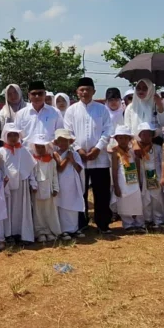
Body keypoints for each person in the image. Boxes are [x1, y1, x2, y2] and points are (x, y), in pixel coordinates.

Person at [63, 77, 114, 233]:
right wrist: (78, 149)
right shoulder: (71, 110)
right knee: (80, 192)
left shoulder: (102, 109)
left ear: (94, 91)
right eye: (82, 90)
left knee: (102, 192)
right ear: (77, 92)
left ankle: (103, 224)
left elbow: (108, 131)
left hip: (100, 159)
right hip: (79, 159)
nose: (85, 92)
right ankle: (81, 223)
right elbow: (68, 132)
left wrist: (98, 148)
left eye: (88, 89)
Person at [1, 123, 36, 243]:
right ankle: (8, 234)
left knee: (22, 209)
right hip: (7, 186)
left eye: (15, 135)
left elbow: (30, 167)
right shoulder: (1, 151)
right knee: (8, 209)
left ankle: (23, 234)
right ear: (5, 136)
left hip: (22, 185)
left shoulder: (24, 151)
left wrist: (33, 182)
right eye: (10, 135)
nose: (13, 138)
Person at [53, 128, 85, 238]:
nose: (63, 143)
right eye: (60, 141)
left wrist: (72, 160)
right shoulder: (55, 154)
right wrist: (67, 159)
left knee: (73, 205)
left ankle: (74, 229)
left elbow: (79, 169)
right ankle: (64, 230)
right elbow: (60, 168)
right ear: (57, 142)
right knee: (62, 206)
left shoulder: (74, 154)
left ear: (69, 142)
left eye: (65, 141)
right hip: (61, 184)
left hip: (72, 183)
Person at [111, 126, 144, 231]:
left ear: (129, 139)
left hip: (134, 181)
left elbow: (138, 166)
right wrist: (116, 185)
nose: (123, 140)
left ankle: (139, 223)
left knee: (136, 201)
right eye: (120, 138)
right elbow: (115, 170)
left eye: (125, 138)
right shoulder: (115, 153)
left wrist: (139, 181)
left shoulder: (133, 152)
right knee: (124, 201)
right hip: (122, 181)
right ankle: (128, 223)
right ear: (116, 139)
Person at [31, 134, 61, 242]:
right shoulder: (33, 160)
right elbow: (32, 175)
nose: (40, 149)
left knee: (49, 211)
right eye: (38, 146)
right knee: (38, 212)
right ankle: (40, 232)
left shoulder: (51, 161)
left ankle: (49, 231)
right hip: (37, 190)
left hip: (49, 190)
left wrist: (55, 188)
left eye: (42, 147)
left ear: (47, 147)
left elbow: (54, 175)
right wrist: (33, 186)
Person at [135, 122, 164, 230]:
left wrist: (162, 176)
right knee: (145, 197)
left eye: (148, 134)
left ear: (152, 135)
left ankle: (159, 219)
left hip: (155, 174)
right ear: (140, 136)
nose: (146, 137)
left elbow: (162, 161)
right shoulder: (137, 148)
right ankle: (147, 219)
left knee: (156, 198)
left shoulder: (157, 148)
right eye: (144, 134)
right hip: (144, 175)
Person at [17, 80, 61, 146]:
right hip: (27, 154)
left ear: (45, 94)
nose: (37, 96)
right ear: (29, 95)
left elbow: (60, 134)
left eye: (40, 93)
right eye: (34, 94)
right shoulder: (21, 114)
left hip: (49, 153)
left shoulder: (55, 112)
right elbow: (17, 137)